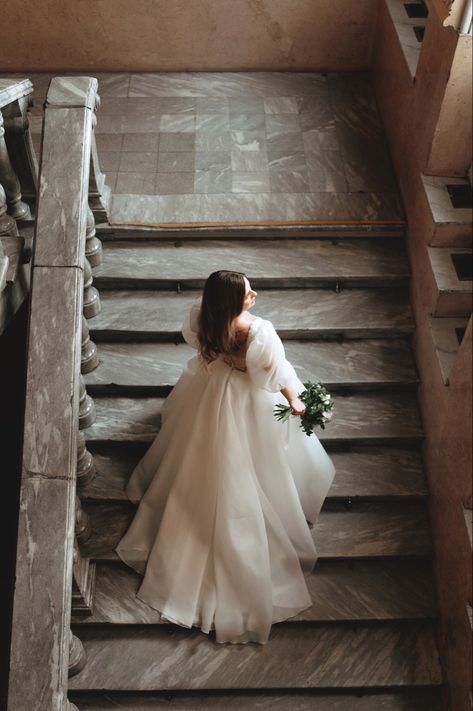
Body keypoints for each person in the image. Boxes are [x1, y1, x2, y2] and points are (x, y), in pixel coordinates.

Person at [115, 270, 336, 644]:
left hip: (212, 389)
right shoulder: (258, 333)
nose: (255, 294)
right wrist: (296, 401)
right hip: (246, 400)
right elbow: (272, 377)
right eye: (249, 293)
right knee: (257, 466)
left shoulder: (203, 317)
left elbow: (196, 342)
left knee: (193, 451)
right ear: (235, 302)